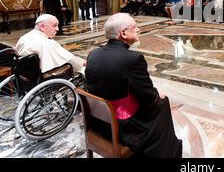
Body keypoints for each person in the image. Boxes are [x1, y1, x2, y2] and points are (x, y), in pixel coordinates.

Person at [85, 13, 182, 158]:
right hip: (123, 126)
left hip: (99, 122)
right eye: (134, 27)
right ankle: (168, 152)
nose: (138, 30)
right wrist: (158, 97)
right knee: (162, 104)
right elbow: (148, 97)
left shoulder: (94, 54)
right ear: (123, 33)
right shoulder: (133, 59)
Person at [15, 14, 85, 74]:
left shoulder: (25, 37)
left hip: (24, 72)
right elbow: (68, 60)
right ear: (42, 27)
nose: (57, 29)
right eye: (54, 26)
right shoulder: (46, 43)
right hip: (42, 74)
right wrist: (83, 64)